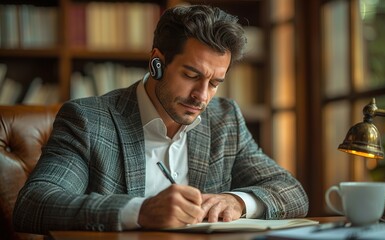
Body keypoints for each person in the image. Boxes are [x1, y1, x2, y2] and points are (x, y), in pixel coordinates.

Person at [13, 4, 309, 234]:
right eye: (191, 75)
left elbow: (292, 192)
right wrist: (140, 211)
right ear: (157, 61)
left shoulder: (225, 119)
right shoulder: (89, 119)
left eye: (215, 83)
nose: (202, 96)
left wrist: (238, 202)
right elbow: (34, 204)